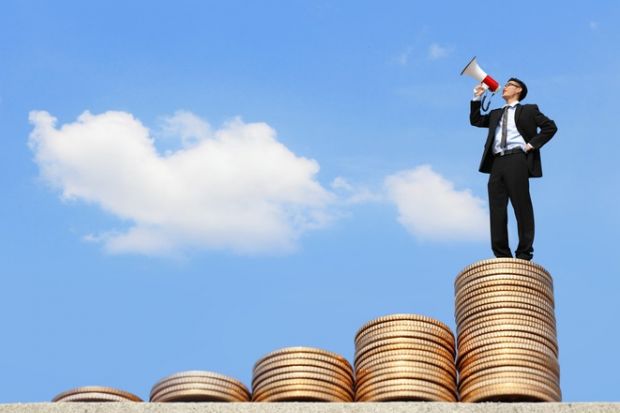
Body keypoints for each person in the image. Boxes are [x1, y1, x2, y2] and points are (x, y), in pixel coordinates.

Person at [470, 78, 557, 261]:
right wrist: (477, 98)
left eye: (509, 84)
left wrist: (532, 145)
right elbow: (476, 120)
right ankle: (502, 254)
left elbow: (550, 127)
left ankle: (524, 253)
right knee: (497, 209)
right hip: (497, 162)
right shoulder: (496, 113)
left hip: (517, 158)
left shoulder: (529, 110)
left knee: (521, 205)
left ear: (518, 90)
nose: (505, 87)